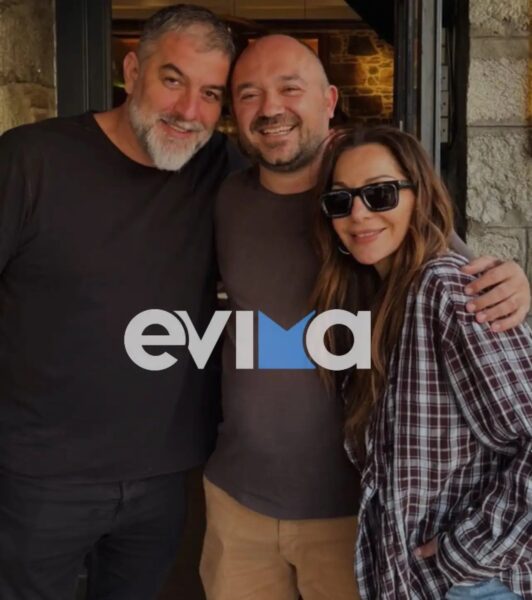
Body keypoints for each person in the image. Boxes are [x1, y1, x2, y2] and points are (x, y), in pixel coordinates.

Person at [199, 34, 531, 600]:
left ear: (329, 100)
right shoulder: (227, 199)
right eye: (249, 93)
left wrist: (517, 282)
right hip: (238, 504)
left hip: (355, 516)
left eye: (290, 88)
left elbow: (462, 281)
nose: (271, 108)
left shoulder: (388, 212)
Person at [0, 5, 244, 600]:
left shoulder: (218, 168)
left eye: (211, 94)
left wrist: (458, 261)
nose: (189, 110)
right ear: (132, 70)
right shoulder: (30, 160)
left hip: (165, 477)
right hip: (37, 477)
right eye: (172, 80)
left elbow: (344, 196)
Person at [313, 125, 532, 599]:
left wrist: (462, 552)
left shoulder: (446, 289)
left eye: (380, 194)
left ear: (420, 196)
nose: (358, 213)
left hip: (475, 585)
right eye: (340, 200)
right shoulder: (377, 298)